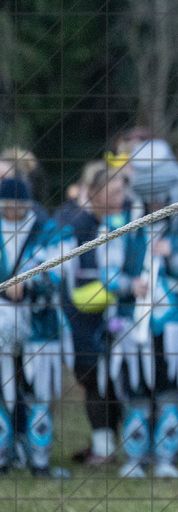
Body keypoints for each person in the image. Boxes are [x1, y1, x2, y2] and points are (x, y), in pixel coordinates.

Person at [111, 139, 178, 478]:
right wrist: (127, 285)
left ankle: (166, 459)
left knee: (170, 392)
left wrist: (174, 257)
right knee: (135, 391)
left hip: (173, 326)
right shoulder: (121, 223)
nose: (155, 197)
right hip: (131, 323)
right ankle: (134, 460)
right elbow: (107, 273)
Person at [60, 164, 140, 467]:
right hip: (85, 323)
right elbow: (80, 290)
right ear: (93, 192)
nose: (122, 196)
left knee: (119, 382)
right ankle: (103, 448)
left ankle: (123, 445)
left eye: (123, 189)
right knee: (95, 383)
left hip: (114, 320)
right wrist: (125, 288)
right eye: (115, 190)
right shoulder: (81, 227)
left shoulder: (121, 222)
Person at [0, 177, 69, 477]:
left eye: (16, 208)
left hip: (39, 324)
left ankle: (39, 461)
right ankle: (3, 456)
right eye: (6, 208)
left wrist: (29, 287)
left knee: (38, 392)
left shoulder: (46, 230)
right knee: (3, 391)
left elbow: (58, 270)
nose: (10, 213)